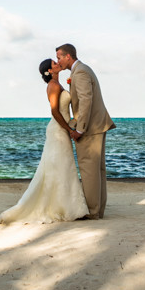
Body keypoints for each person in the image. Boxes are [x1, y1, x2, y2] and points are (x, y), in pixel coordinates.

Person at [0, 59, 89, 223]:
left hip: (61, 129)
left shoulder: (58, 84)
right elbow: (55, 111)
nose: (58, 63)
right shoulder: (53, 86)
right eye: (54, 63)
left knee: (63, 166)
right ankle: (65, 208)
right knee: (61, 165)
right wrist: (69, 130)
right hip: (57, 130)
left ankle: (70, 206)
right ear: (49, 70)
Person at [55, 43, 115, 220]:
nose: (58, 61)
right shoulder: (82, 69)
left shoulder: (80, 72)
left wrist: (80, 129)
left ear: (68, 56)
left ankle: (92, 211)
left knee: (89, 170)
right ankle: (98, 210)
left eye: (59, 57)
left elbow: (85, 101)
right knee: (98, 170)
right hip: (98, 125)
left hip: (90, 128)